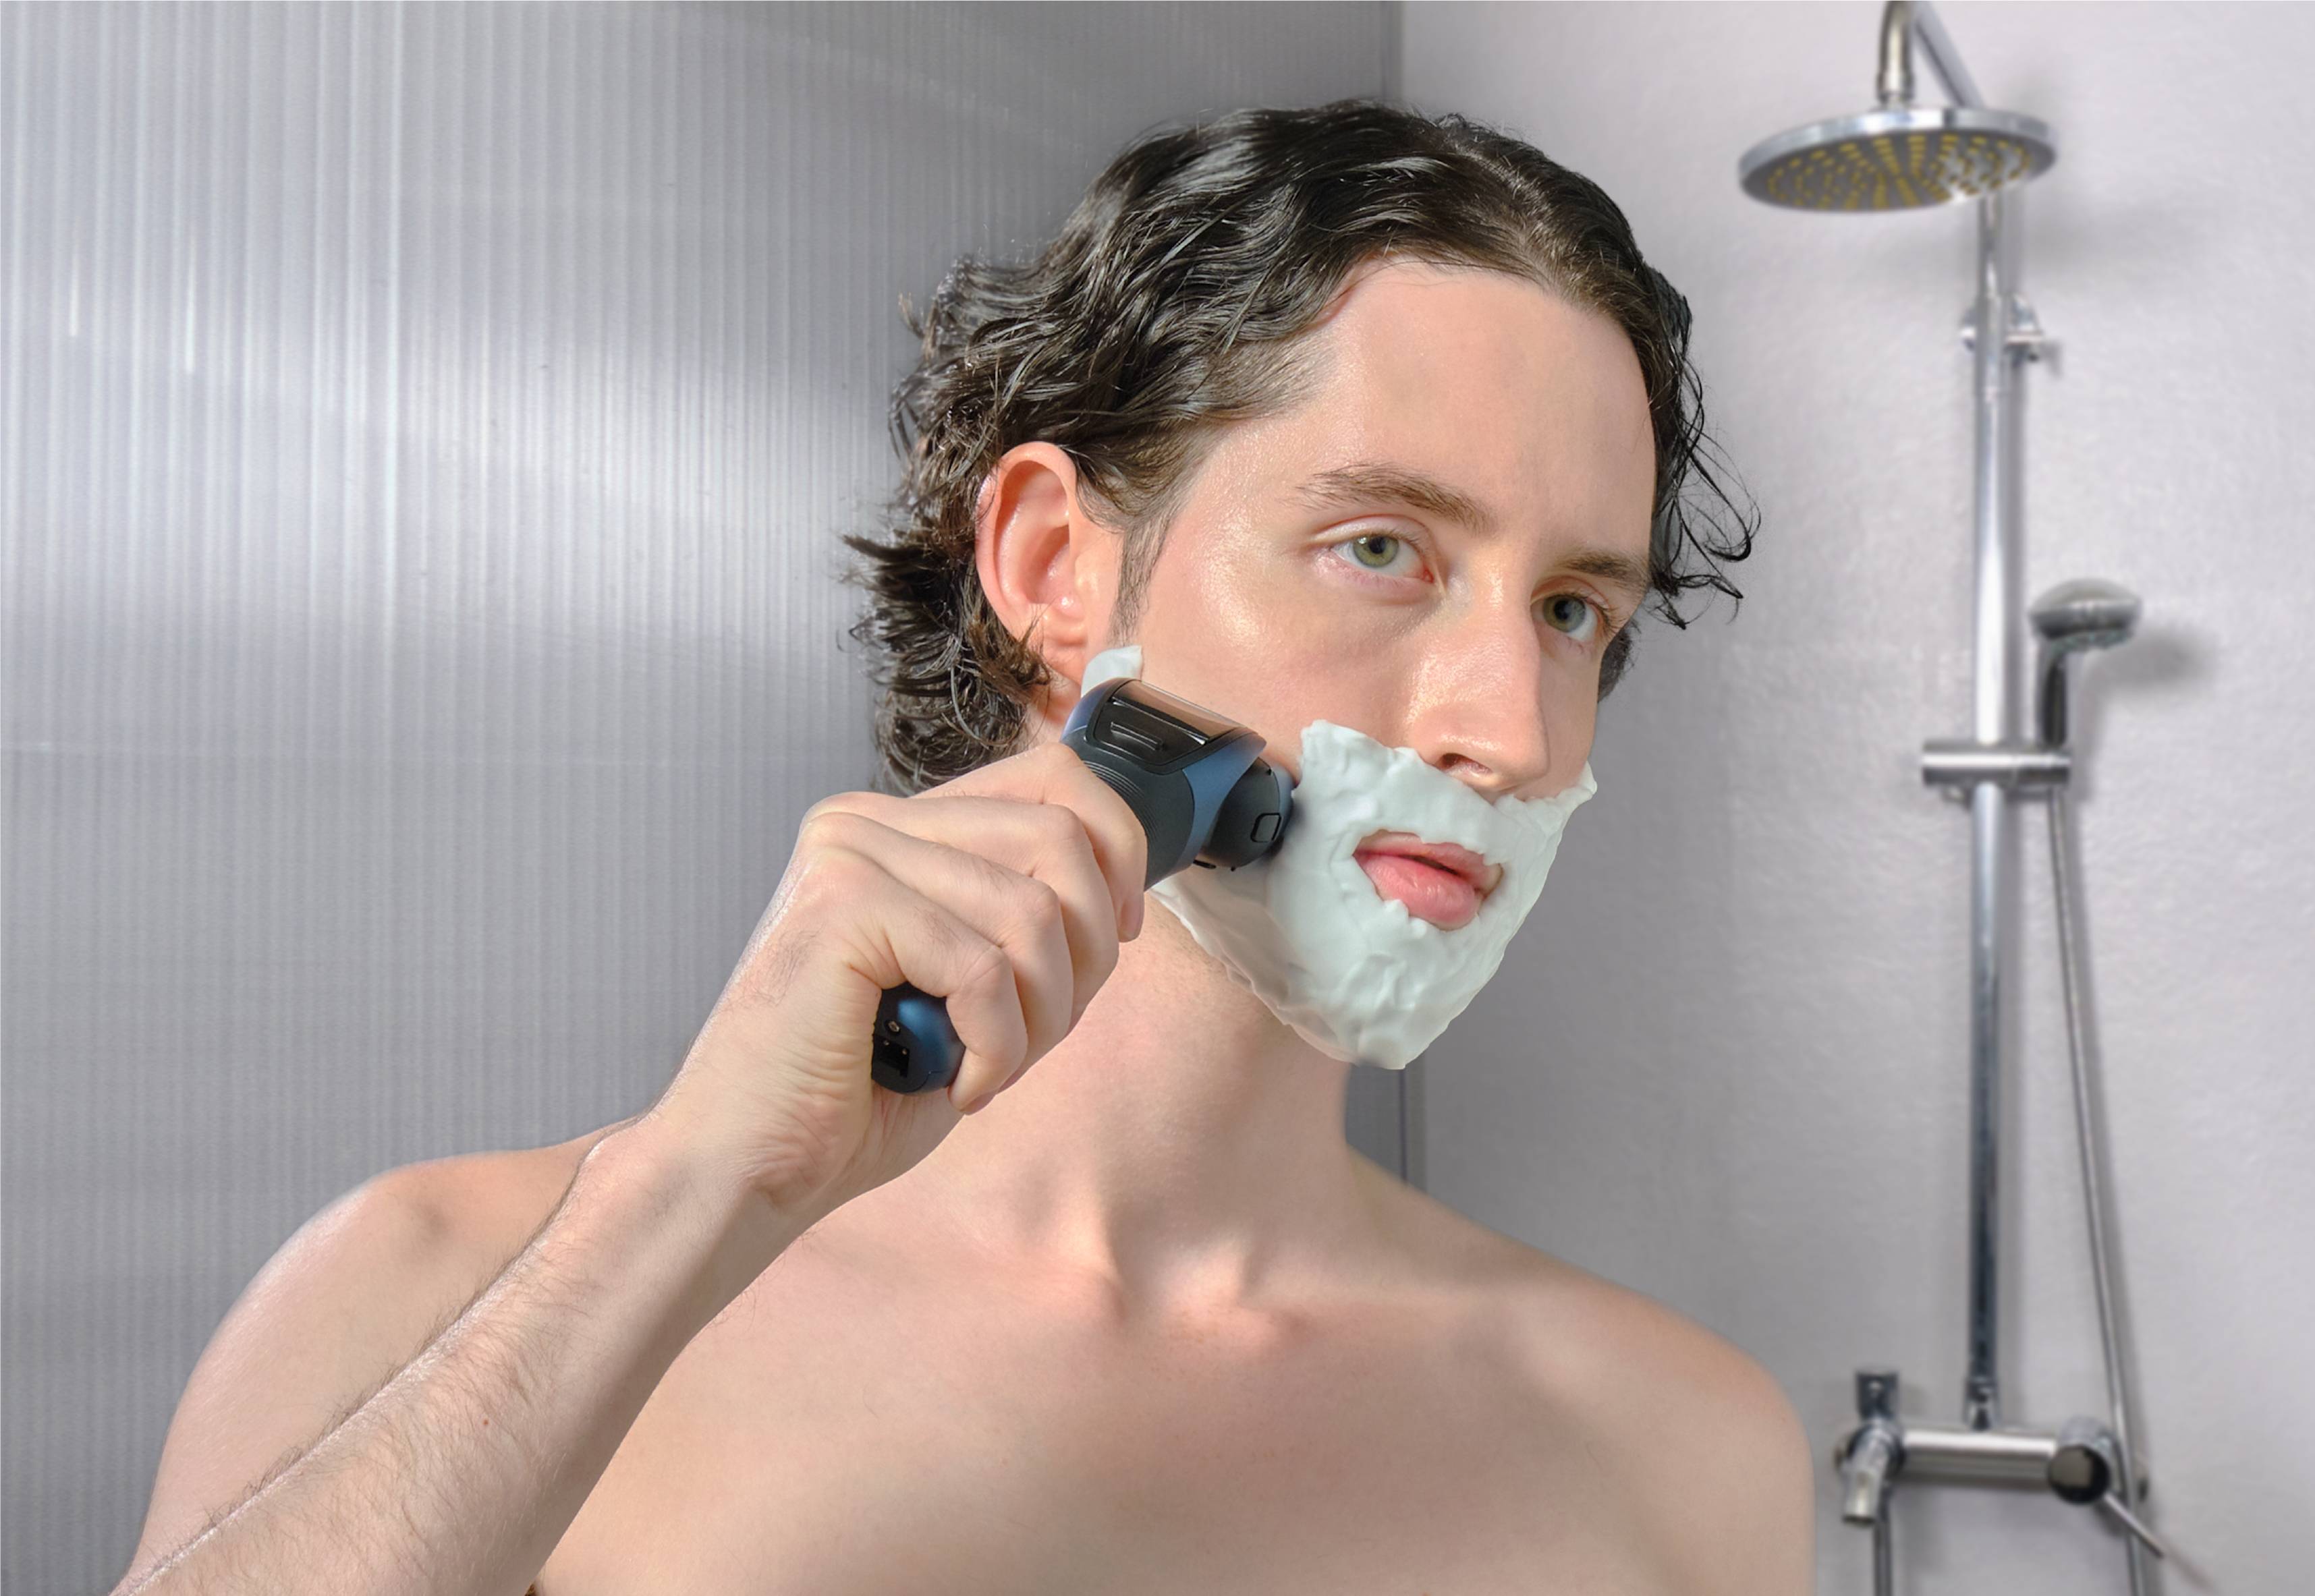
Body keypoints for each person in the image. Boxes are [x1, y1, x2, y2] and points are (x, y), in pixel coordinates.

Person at [114, 99, 1811, 1595]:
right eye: (1380, 545)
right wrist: (695, 1201)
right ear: (1055, 568)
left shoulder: (1680, 1448)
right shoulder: (429, 1295)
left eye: (1574, 607)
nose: (1508, 728)